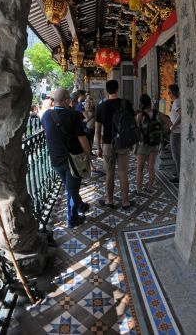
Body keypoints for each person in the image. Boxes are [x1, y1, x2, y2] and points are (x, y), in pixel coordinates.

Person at [41, 88, 90, 228]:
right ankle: (72, 219)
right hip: (73, 160)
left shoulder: (45, 115)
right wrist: (88, 155)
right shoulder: (74, 115)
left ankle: (80, 205)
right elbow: (82, 138)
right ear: (67, 100)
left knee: (71, 188)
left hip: (55, 161)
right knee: (71, 190)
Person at [95, 79, 135, 209]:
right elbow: (133, 124)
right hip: (123, 143)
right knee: (123, 172)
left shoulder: (101, 107)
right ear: (118, 89)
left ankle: (109, 201)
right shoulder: (126, 104)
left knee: (110, 173)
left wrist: (98, 147)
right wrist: (132, 142)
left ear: (106, 90)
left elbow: (97, 131)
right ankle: (125, 202)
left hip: (107, 144)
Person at [135, 94, 169, 195]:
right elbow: (170, 123)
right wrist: (162, 132)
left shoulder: (139, 116)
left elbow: (138, 131)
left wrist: (135, 146)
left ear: (141, 103)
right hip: (155, 144)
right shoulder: (157, 113)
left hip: (143, 145)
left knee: (140, 168)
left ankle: (139, 190)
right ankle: (149, 188)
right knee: (151, 167)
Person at [168, 84, 181, 184]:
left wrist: (173, 126)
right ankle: (178, 172)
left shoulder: (176, 102)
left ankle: (179, 175)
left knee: (175, 154)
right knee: (176, 153)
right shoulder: (177, 101)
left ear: (172, 93)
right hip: (177, 131)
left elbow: (181, 114)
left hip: (176, 132)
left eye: (169, 92)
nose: (168, 94)